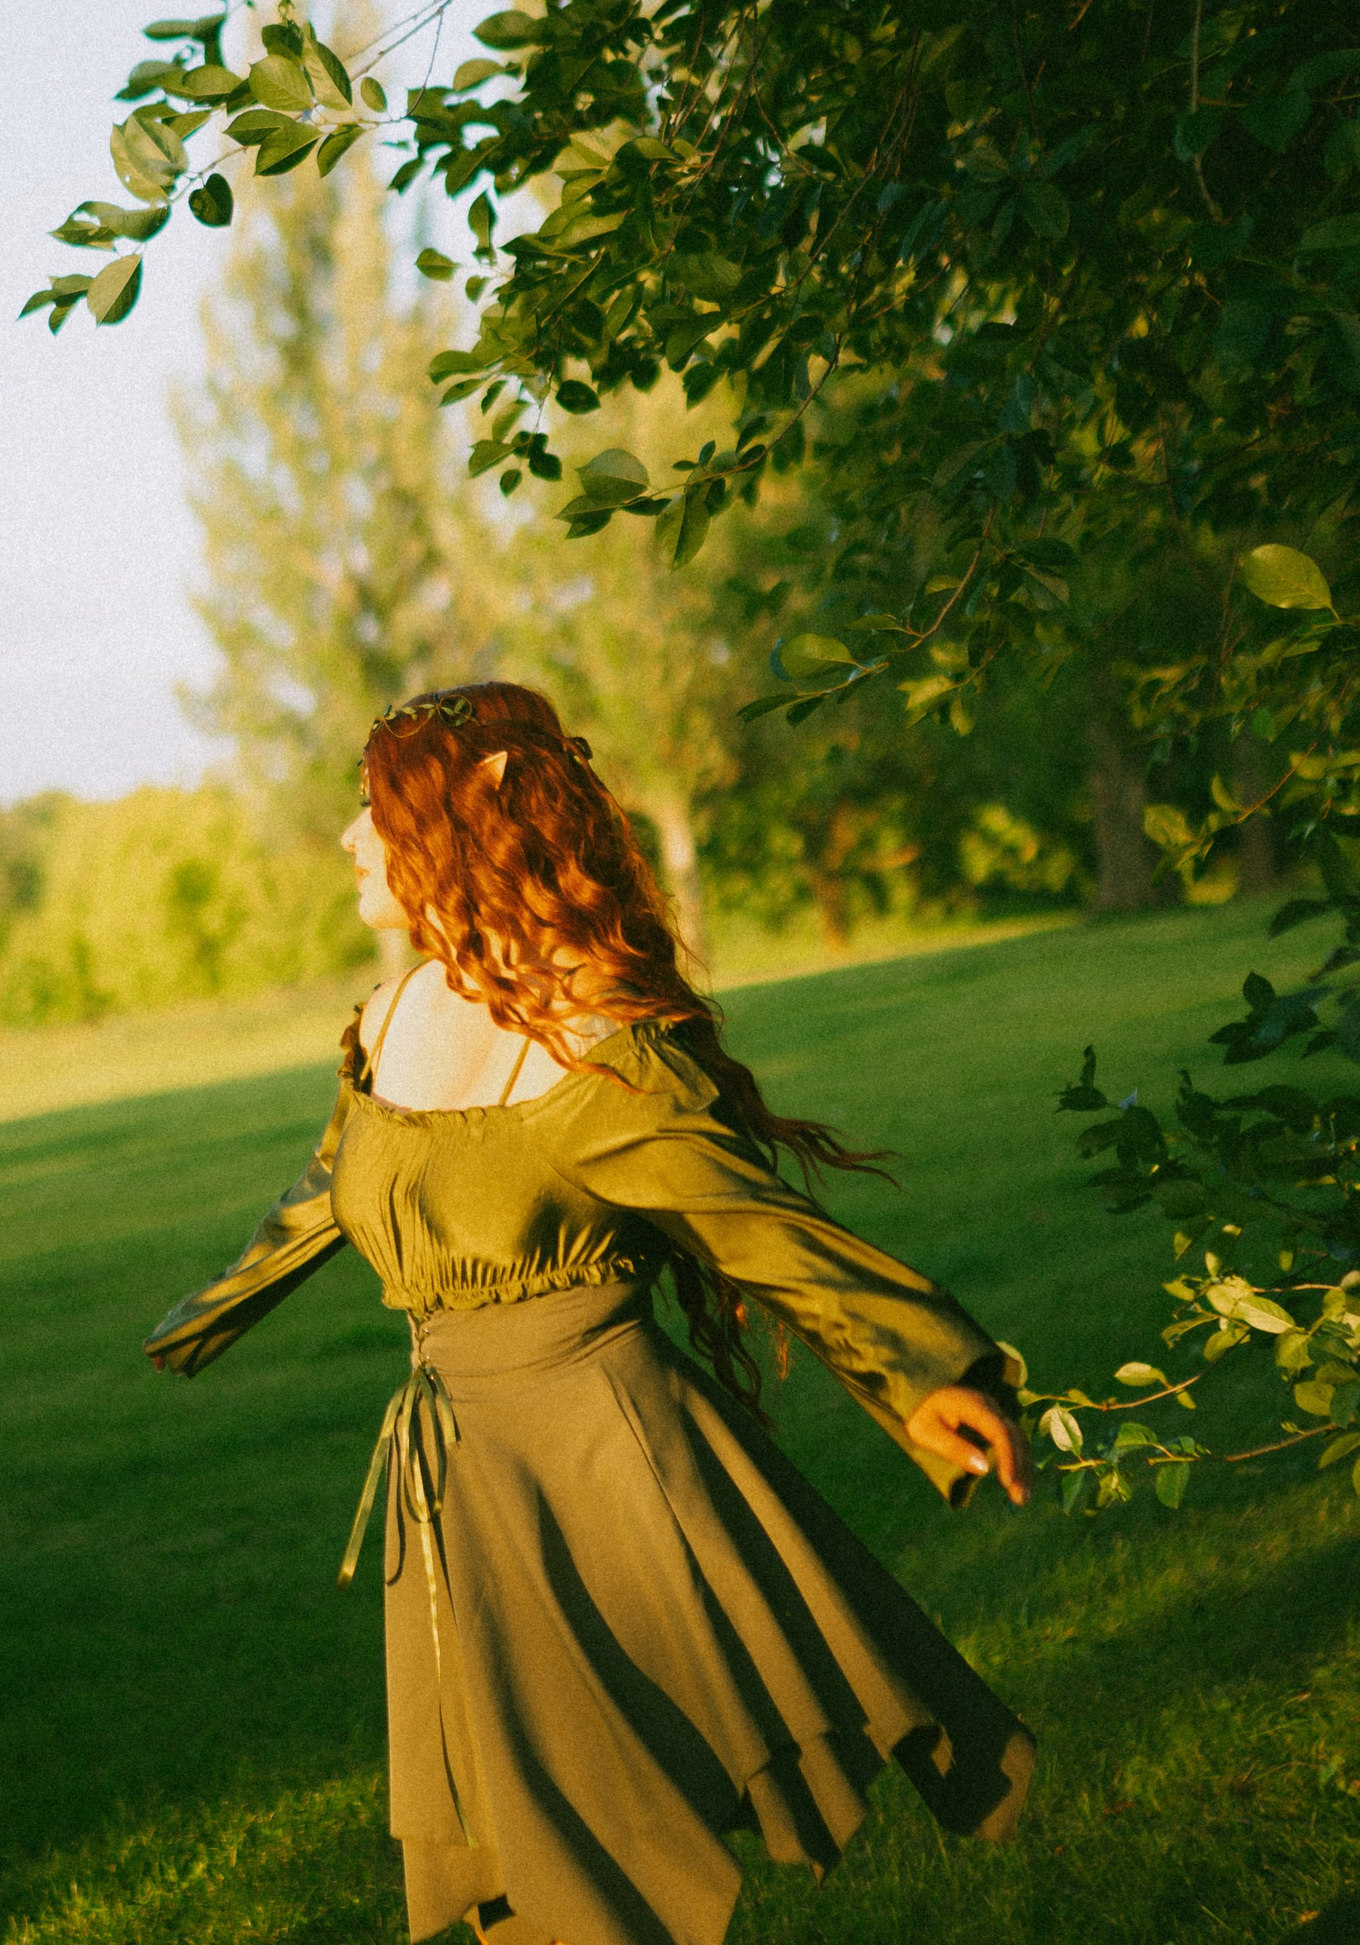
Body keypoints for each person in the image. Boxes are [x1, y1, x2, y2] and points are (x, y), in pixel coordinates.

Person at [147, 682, 1034, 1945]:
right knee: (525, 1843)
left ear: (463, 828)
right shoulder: (394, 1015)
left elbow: (763, 1234)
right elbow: (333, 1184)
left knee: (600, 1837)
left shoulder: (601, 1048)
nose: (349, 837)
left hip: (608, 1466)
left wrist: (928, 1372)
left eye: (375, 809)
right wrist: (208, 1310)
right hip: (461, 1475)